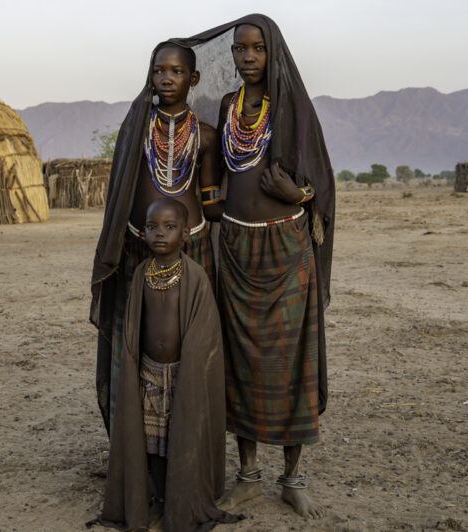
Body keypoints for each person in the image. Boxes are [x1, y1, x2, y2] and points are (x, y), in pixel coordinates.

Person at [210, 18, 335, 519]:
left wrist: (298, 195)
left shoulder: (295, 108)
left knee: (291, 365)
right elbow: (219, 174)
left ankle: (293, 477)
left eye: (257, 48)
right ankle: (247, 476)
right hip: (236, 248)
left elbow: (321, 183)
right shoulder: (227, 107)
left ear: (273, 52)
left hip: (287, 248)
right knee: (241, 362)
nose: (247, 57)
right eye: (240, 49)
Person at [90, 42, 222, 435]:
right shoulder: (135, 130)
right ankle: (135, 449)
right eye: (159, 71)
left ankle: (186, 445)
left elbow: (211, 200)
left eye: (176, 71)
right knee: (136, 341)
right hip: (138, 246)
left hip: (194, 248)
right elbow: (121, 193)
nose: (166, 78)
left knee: (188, 342)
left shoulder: (207, 137)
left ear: (193, 78)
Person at [93, 198, 239, 531]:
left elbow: (204, 333)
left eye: (170, 227)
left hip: (181, 374)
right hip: (147, 373)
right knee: (151, 441)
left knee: (180, 436)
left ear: (186, 234)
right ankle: (159, 497)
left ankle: (181, 497)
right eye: (152, 227)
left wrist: (190, 370)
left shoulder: (196, 278)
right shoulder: (143, 275)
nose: (160, 234)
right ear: (142, 233)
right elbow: (133, 327)